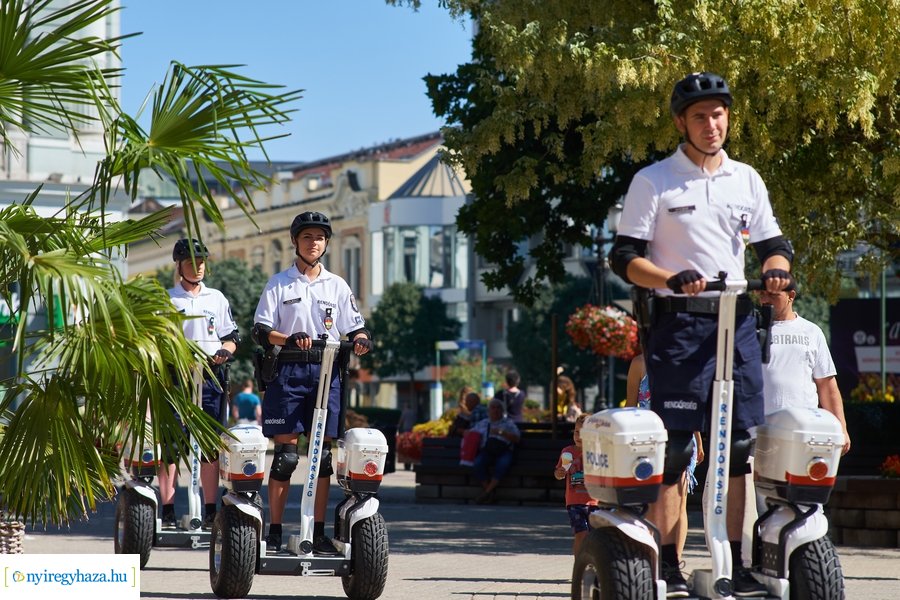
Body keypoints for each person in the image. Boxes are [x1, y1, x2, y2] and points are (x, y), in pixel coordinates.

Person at [610, 72, 793, 597]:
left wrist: (777, 268)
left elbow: (773, 243)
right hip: (679, 324)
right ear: (680, 123)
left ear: (728, 117)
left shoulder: (747, 179)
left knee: (736, 447)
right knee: (673, 448)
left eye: (718, 114)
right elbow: (624, 257)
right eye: (699, 116)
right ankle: (666, 563)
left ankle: (730, 561)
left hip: (736, 321)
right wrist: (669, 279)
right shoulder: (655, 180)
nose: (711, 125)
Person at [251, 211, 371, 555]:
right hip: (288, 373)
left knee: (322, 459)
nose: (313, 243)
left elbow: (354, 326)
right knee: (286, 458)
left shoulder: (337, 285)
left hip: (327, 370)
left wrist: (362, 338)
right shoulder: (279, 283)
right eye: (307, 237)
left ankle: (316, 533)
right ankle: (274, 530)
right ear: (295, 241)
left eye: (319, 237)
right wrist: (288, 339)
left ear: (326, 243)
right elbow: (260, 331)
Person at [159, 238, 240, 530]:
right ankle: (167, 509)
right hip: (177, 377)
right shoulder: (167, 299)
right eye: (193, 262)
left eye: (203, 261)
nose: (200, 266)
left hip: (210, 377)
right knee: (170, 446)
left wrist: (224, 352)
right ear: (179, 266)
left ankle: (209, 509)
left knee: (209, 446)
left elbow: (231, 337)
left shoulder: (216, 298)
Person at [758, 276, 851, 454]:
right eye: (762, 294)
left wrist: (842, 429)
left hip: (803, 435)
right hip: (758, 435)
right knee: (753, 483)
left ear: (791, 295)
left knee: (801, 483)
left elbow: (827, 385)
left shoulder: (812, 332)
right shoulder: (749, 331)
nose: (765, 299)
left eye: (772, 295)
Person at [625, 354, 704, 559]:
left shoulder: (684, 361)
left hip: (682, 438)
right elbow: (631, 407)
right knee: (649, 502)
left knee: (680, 503)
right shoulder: (640, 364)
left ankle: (674, 560)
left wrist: (698, 439)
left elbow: (690, 405)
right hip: (647, 440)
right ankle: (650, 557)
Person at [553, 413, 598, 555]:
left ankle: (593, 565)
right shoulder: (567, 452)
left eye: (583, 433)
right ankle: (578, 566)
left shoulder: (597, 453)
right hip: (574, 502)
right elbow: (558, 473)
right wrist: (559, 473)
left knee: (595, 536)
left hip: (595, 501)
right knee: (580, 533)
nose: (578, 436)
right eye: (576, 432)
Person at [471, 397, 521, 504]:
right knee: (478, 463)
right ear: (488, 410)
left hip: (504, 450)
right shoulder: (483, 423)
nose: (496, 410)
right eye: (493, 407)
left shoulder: (508, 423)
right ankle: (489, 492)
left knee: (502, 464)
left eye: (498, 408)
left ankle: (486, 493)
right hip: (487, 450)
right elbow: (471, 434)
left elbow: (517, 438)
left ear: (502, 411)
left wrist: (502, 433)